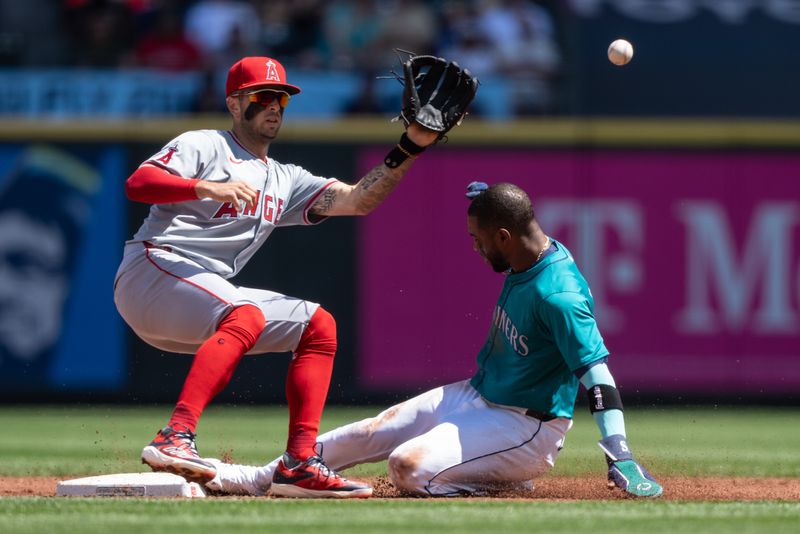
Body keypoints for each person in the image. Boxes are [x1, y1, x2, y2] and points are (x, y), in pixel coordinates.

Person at [113, 55, 446, 499]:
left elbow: (358, 200)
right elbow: (138, 183)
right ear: (235, 103)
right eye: (262, 97)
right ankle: (174, 436)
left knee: (317, 325)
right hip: (152, 271)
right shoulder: (206, 145)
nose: (274, 105)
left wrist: (411, 145)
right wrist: (204, 187)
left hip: (203, 296)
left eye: (282, 98)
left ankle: (299, 463)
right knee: (245, 313)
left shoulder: (283, 179)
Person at [204, 182, 663, 498]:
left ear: (504, 236)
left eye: (479, 239)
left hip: (526, 428)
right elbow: (508, 211)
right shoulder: (526, 248)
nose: (475, 247)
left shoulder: (558, 295)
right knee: (370, 431)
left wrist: (618, 452)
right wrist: (485, 199)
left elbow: (598, 375)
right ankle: (256, 477)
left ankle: (498, 480)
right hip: (475, 395)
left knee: (407, 468)